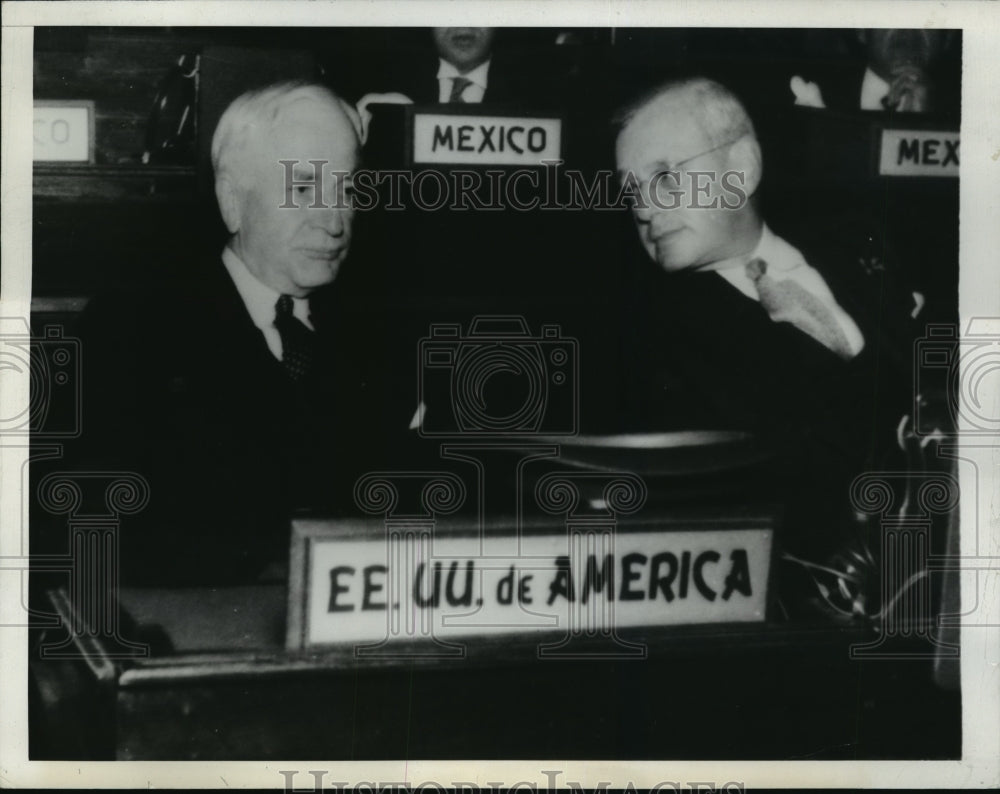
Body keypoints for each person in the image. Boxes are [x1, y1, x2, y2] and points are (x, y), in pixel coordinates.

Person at [58, 82, 405, 585]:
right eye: (304, 189)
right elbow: (79, 529)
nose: (334, 222)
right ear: (232, 201)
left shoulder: (379, 339)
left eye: (347, 190)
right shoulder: (130, 331)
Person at [611, 77, 916, 561]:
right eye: (631, 190)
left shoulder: (861, 243)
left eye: (666, 176)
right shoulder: (644, 343)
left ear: (743, 168)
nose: (645, 208)